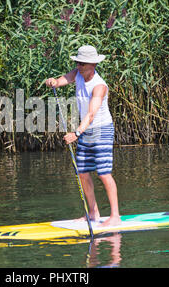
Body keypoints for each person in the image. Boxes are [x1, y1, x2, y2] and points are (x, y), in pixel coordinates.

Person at [46, 45, 121, 227]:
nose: (78, 66)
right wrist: (54, 82)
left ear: (93, 65)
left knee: (103, 173)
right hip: (86, 129)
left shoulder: (99, 86)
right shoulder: (78, 73)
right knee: (83, 172)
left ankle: (115, 216)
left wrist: (77, 133)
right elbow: (66, 79)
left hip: (101, 130)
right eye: (77, 62)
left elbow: (91, 115)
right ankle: (93, 214)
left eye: (82, 64)